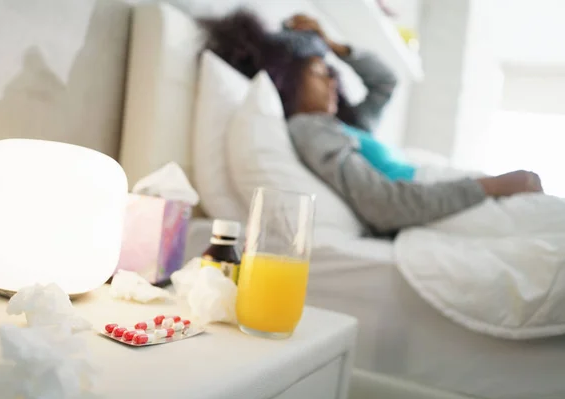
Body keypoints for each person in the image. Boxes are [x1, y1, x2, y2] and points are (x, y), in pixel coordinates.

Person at [200, 11, 543, 237]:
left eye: (331, 72)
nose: (333, 81)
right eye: (320, 73)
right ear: (286, 82)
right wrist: (489, 186)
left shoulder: (343, 125)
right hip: (433, 196)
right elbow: (384, 204)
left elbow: (385, 81)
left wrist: (332, 45)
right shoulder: (310, 130)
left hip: (439, 186)